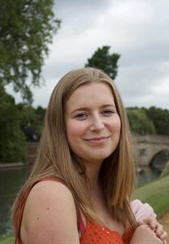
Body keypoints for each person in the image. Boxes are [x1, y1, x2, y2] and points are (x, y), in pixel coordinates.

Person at [12, 68, 167, 244]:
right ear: (60, 127)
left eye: (107, 111)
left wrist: (142, 229)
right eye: (81, 115)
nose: (98, 124)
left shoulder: (110, 192)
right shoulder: (51, 195)